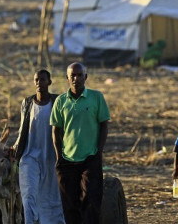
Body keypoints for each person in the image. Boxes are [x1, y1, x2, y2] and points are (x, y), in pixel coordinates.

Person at [50, 62, 110, 224]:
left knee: (91, 201)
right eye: (72, 75)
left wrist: (99, 151)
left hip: (90, 158)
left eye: (79, 75)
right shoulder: (61, 101)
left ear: (86, 77)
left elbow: (104, 124)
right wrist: (59, 156)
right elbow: (56, 131)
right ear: (67, 78)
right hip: (67, 160)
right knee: (69, 205)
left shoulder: (96, 97)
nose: (76, 78)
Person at [12, 69, 65, 224]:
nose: (39, 83)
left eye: (42, 80)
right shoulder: (27, 103)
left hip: (52, 157)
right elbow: (23, 129)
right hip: (30, 157)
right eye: (36, 80)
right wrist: (14, 148)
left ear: (49, 82)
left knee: (51, 197)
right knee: (28, 195)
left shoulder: (57, 102)